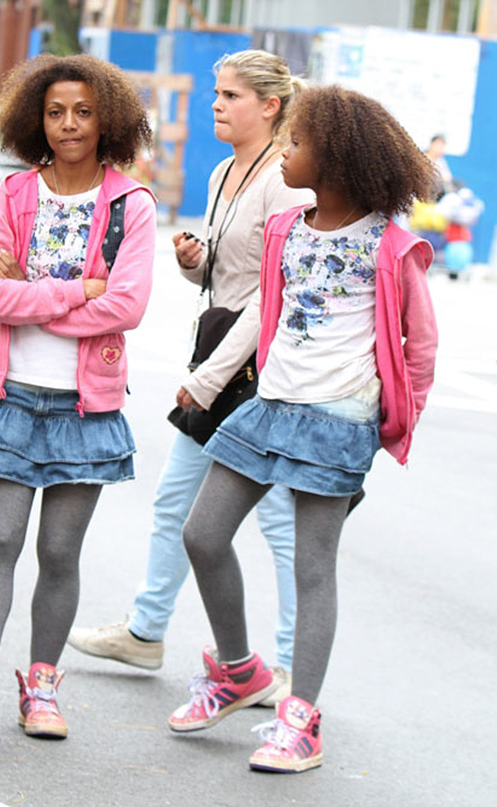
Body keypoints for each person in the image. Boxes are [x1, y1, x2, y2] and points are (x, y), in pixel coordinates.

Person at [167, 85, 439, 774]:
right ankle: (238, 672)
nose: (283, 152)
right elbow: (266, 314)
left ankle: (301, 719)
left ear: (336, 156)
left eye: (295, 142)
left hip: (337, 419)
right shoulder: (287, 230)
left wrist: (390, 419)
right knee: (201, 533)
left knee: (312, 567)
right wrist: (207, 381)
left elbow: (419, 345)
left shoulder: (390, 244)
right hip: (267, 406)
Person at [68, 49, 315, 705]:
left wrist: (207, 378)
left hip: (260, 368)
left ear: (269, 105)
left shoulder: (285, 181)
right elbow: (227, 278)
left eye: (231, 95)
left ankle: (288, 666)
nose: (216, 104)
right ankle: (146, 630)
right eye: (215, 93)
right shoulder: (219, 174)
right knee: (175, 501)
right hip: (220, 353)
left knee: (281, 520)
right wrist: (192, 262)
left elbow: (273, 295)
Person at [0, 53, 156, 748]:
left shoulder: (131, 205)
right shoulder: (10, 197)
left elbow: (128, 304)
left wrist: (37, 296)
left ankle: (41, 682)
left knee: (60, 553)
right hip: (11, 395)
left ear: (107, 121)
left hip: (85, 407)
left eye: (84, 112)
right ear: (37, 117)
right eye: (56, 111)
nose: (69, 124)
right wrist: (78, 290)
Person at [426, 134, 453, 198]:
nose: (440, 149)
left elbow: (448, 177)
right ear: (432, 144)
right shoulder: (422, 157)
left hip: (439, 188)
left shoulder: (441, 161)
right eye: (438, 145)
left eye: (442, 147)